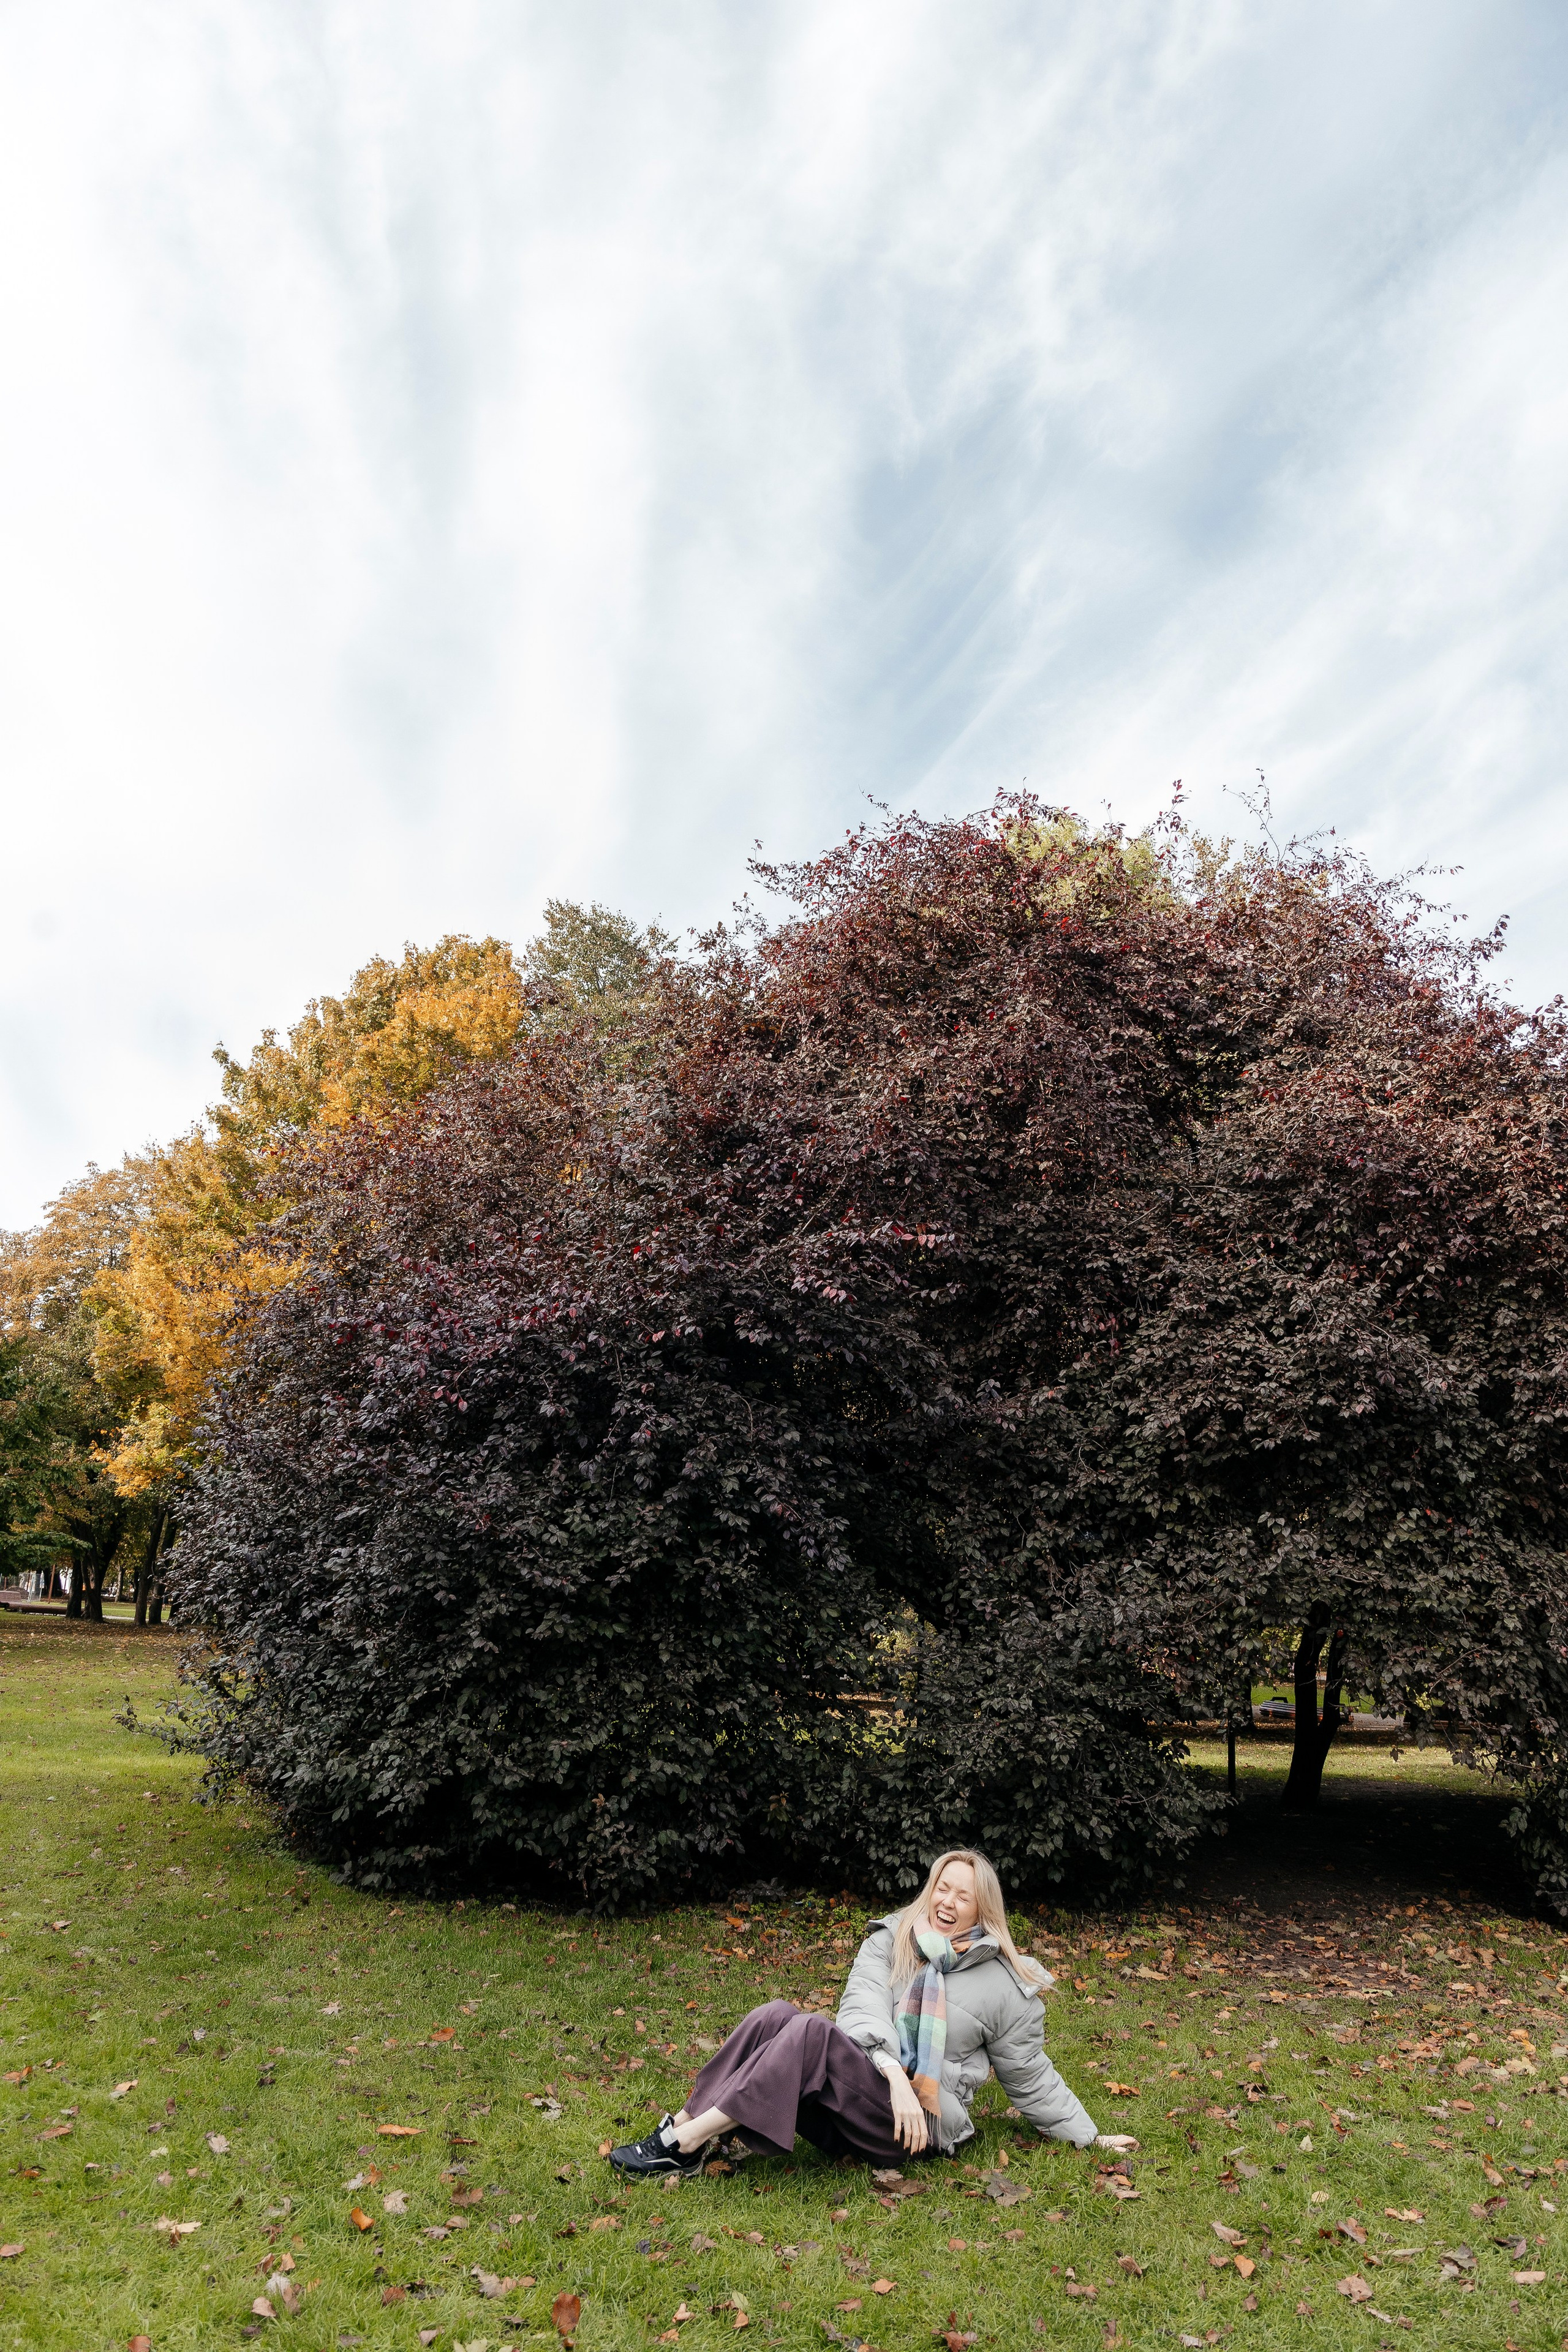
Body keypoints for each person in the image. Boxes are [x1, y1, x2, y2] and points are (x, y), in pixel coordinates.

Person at [608, 1847, 1136, 2178]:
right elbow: (861, 2006)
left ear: (983, 1911)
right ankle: (686, 2129)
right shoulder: (893, 1938)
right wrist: (894, 2076)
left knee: (812, 2033)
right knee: (776, 2015)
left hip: (914, 2130)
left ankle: (685, 2142)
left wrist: (1089, 2137)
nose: (948, 1902)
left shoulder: (1005, 1983)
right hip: (871, 2098)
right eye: (942, 1888)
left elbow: (1031, 2076)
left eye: (964, 1897)